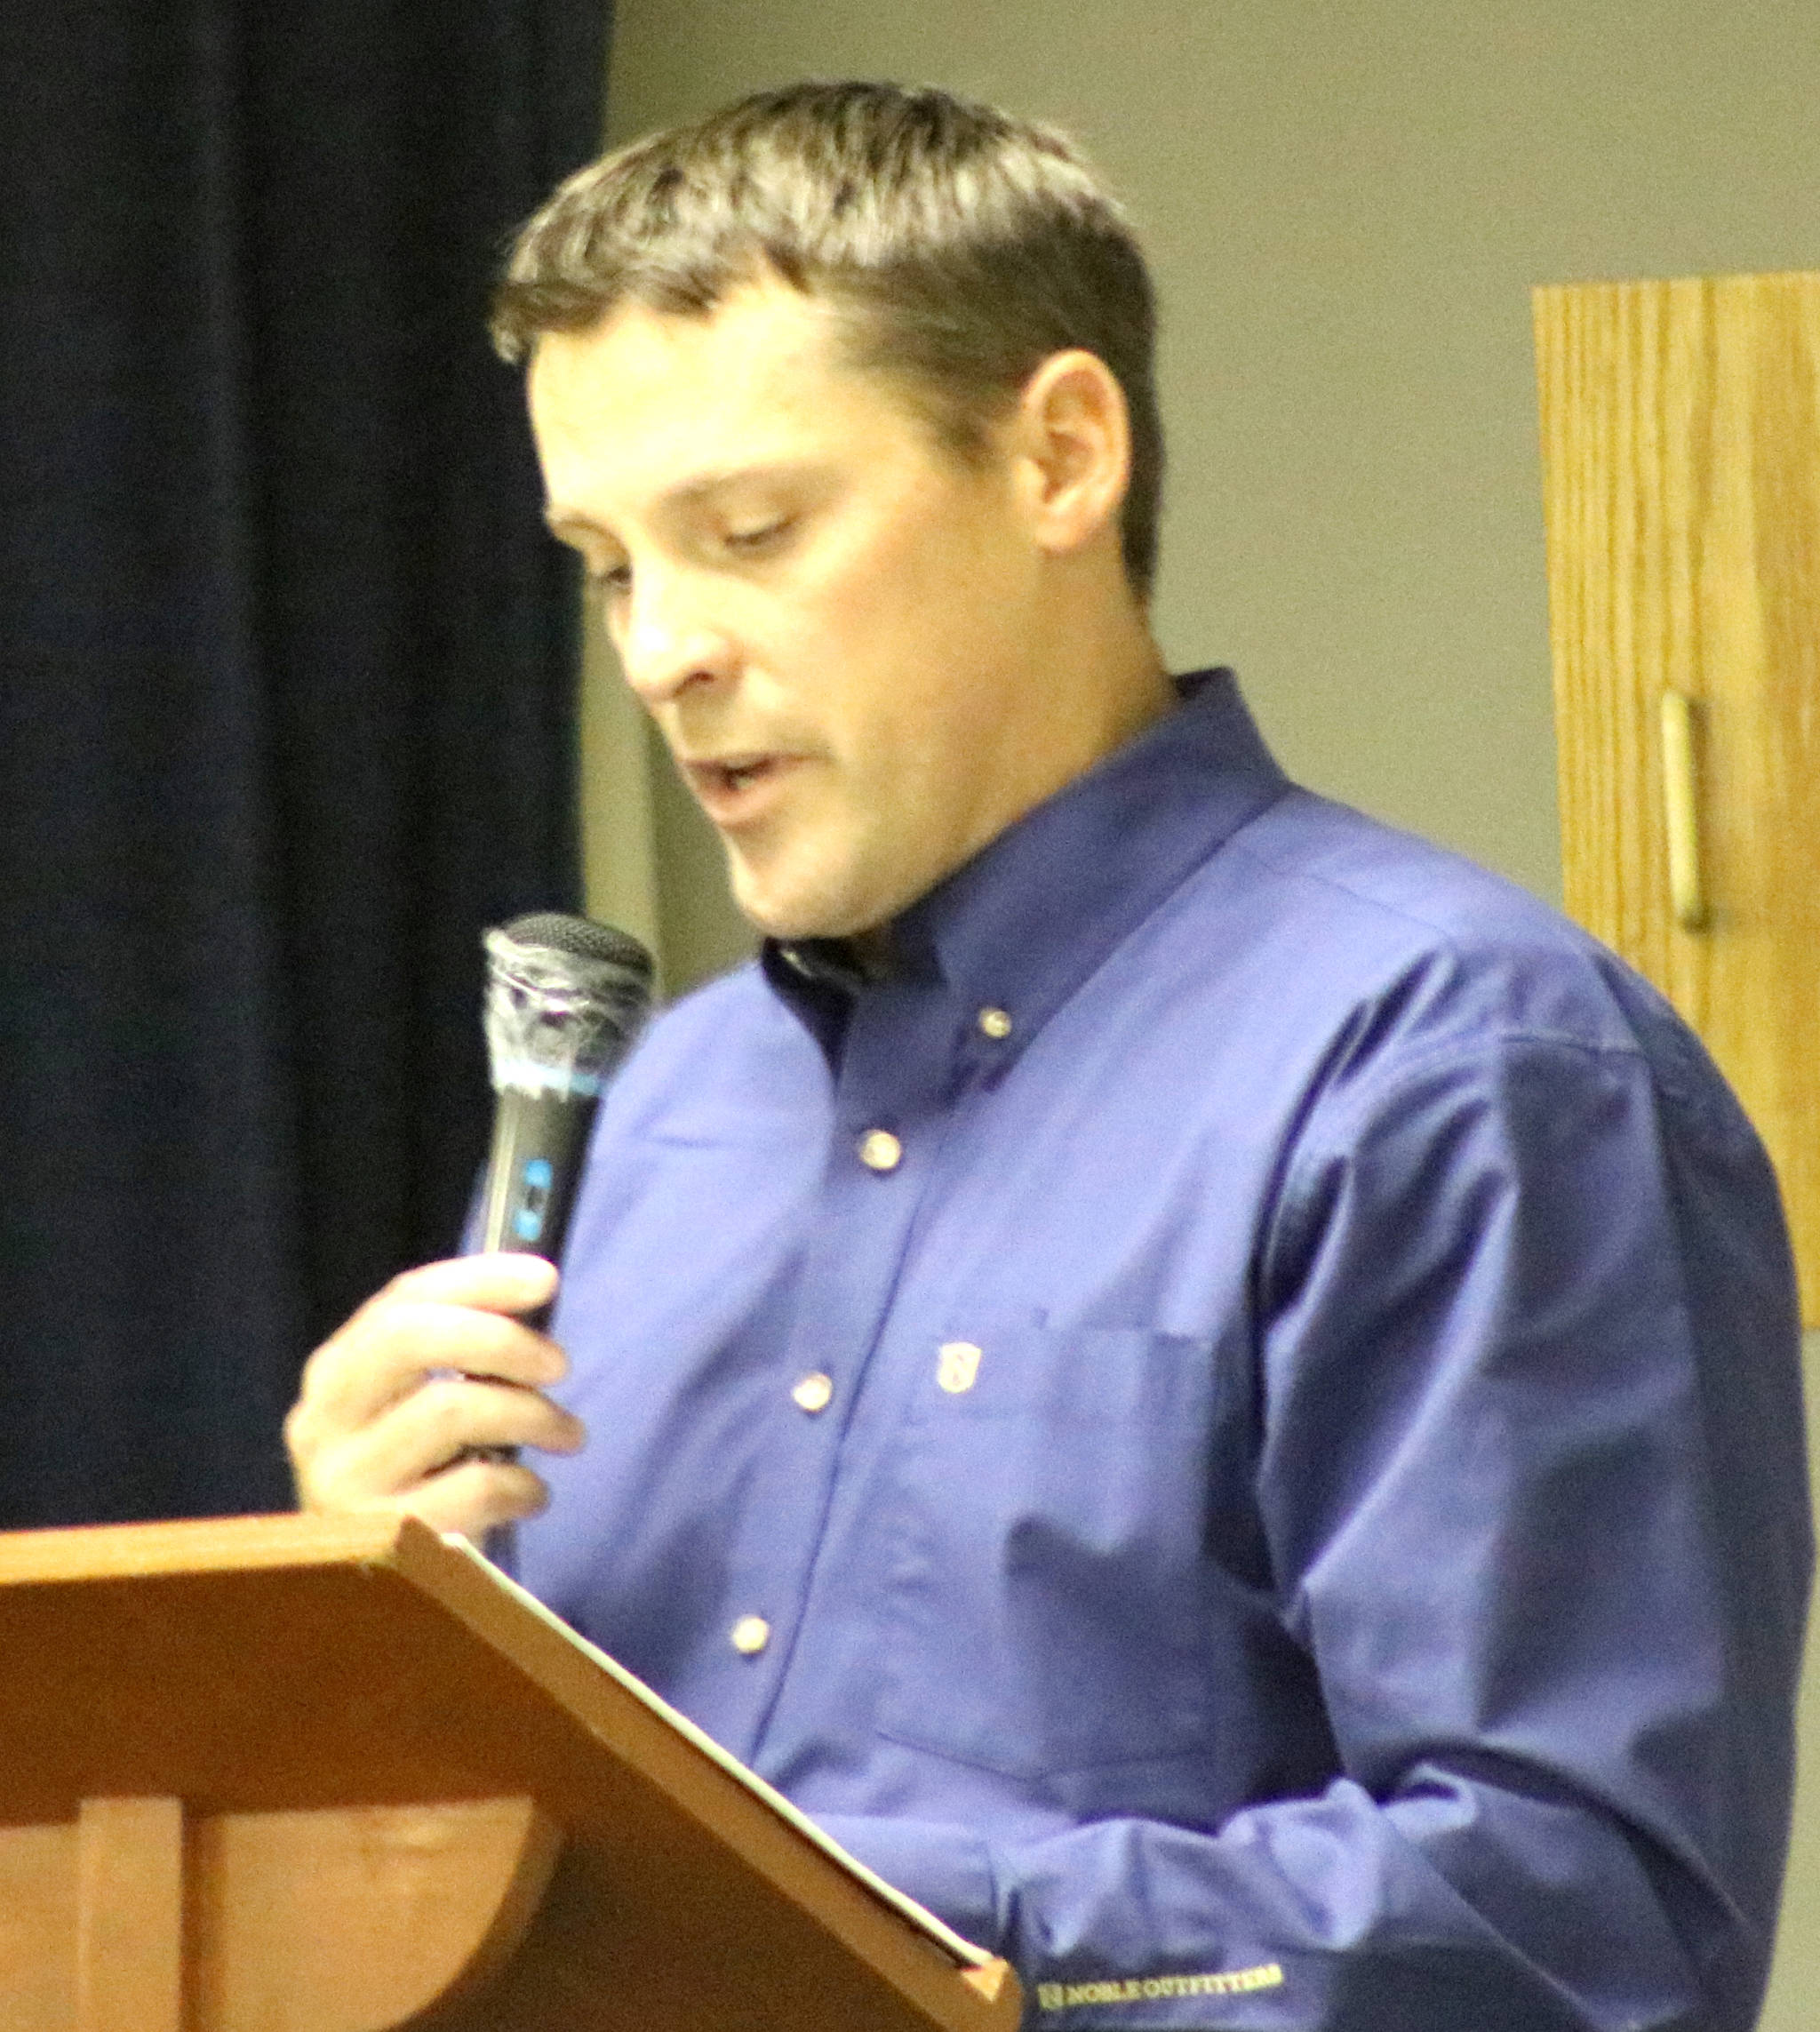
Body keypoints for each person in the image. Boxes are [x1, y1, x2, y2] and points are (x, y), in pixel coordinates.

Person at [284, 81, 1812, 2031]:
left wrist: (796, 1902)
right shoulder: (656, 1113)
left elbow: (1579, 1928)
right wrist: (363, 1660)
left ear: (1059, 457)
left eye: (748, 531)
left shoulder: (1459, 1068)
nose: (661, 646)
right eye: (605, 564)